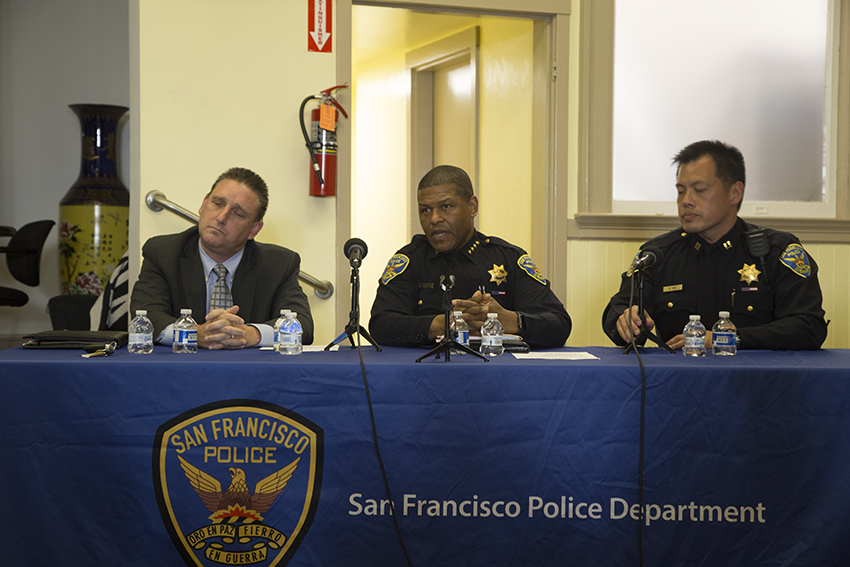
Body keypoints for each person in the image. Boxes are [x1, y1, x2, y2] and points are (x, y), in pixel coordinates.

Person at [602, 140, 827, 351]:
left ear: (735, 193)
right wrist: (624, 320)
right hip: (678, 383)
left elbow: (808, 326)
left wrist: (726, 339)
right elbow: (618, 308)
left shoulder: (776, 252)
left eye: (699, 190)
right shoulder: (658, 254)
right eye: (681, 191)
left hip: (757, 384)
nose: (686, 200)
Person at [369, 165, 571, 348]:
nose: (434, 219)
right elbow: (380, 325)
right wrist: (439, 324)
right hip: (427, 373)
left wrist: (512, 321)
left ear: (472, 207)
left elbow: (559, 324)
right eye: (426, 210)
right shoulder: (410, 260)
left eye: (446, 207)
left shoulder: (507, 258)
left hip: (498, 374)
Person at [130, 167, 313, 349]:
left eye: (238, 213)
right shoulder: (163, 253)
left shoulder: (279, 265)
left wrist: (252, 334)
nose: (221, 217)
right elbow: (148, 317)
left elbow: (302, 324)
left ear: (253, 230)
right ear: (203, 205)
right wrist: (194, 333)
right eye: (217, 203)